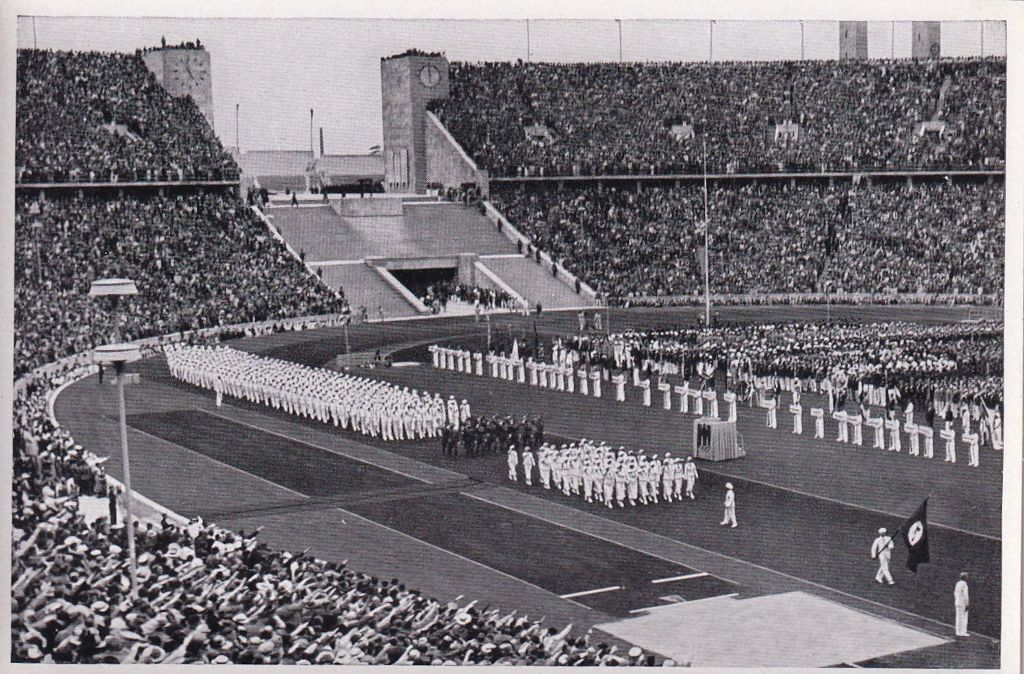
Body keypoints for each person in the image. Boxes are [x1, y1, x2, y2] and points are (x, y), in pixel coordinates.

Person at [954, 572, 970, 637]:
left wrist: (957, 600)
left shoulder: (958, 583)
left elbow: (955, 593)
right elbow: (966, 595)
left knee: (958, 618)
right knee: (964, 618)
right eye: (967, 576)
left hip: (957, 602)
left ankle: (958, 632)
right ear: (965, 577)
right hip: (962, 603)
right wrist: (967, 604)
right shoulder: (964, 585)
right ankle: (963, 632)